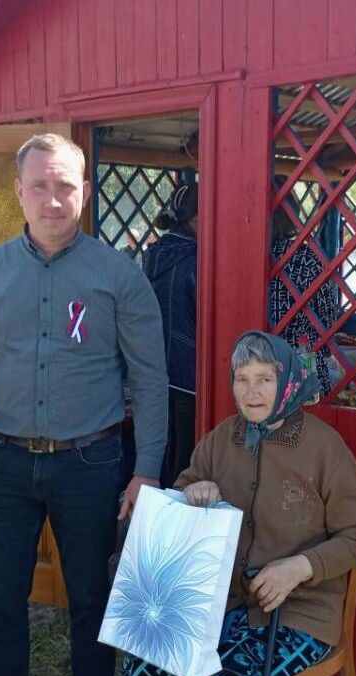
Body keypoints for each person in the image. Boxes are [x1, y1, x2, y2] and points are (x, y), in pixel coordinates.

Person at [0, 132, 168, 676]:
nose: (52, 198)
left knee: (91, 600)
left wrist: (145, 470)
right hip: (6, 464)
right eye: (39, 185)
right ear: (18, 191)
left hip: (91, 463)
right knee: (1, 602)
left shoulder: (118, 275)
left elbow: (150, 380)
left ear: (85, 193)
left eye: (65, 185)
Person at [104, 331, 356, 676]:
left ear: (287, 381)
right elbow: (187, 483)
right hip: (218, 597)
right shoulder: (221, 438)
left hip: (299, 610)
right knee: (148, 656)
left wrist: (300, 567)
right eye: (242, 379)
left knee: (226, 673)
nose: (251, 392)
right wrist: (195, 491)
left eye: (264, 379)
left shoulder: (324, 447)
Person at [142, 180, 199, 486]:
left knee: (159, 452)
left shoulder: (152, 256)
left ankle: (156, 521)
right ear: (196, 220)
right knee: (188, 458)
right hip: (191, 374)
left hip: (154, 370)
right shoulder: (197, 261)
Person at [268, 207, 340, 395]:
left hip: (258, 363)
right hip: (303, 361)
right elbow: (328, 319)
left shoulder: (246, 255)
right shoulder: (306, 258)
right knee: (307, 419)